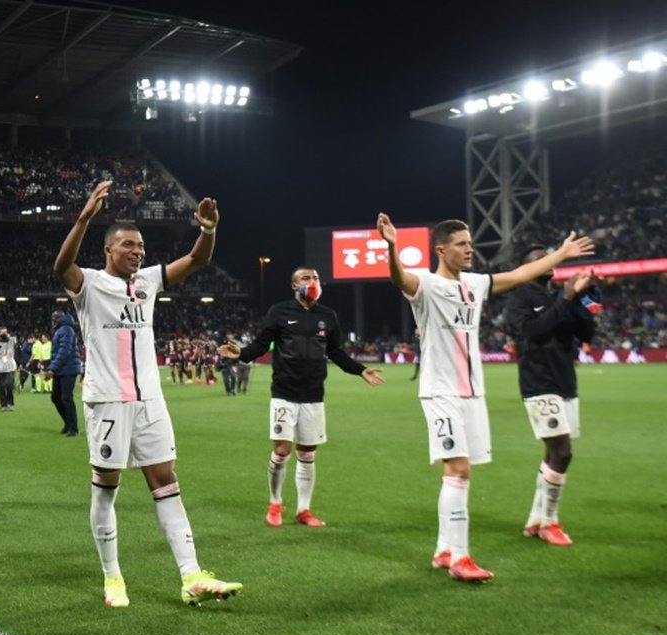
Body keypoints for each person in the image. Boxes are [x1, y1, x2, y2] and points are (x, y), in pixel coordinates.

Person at [376, 212, 594, 582]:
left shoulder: (475, 284)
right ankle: (460, 557)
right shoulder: (425, 284)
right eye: (461, 244)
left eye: (470, 244)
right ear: (441, 249)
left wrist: (561, 254)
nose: (469, 249)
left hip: (473, 394)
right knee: (458, 469)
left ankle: (444, 549)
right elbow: (398, 276)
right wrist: (392, 247)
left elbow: (521, 275)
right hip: (440, 391)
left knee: (461, 474)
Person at [54, 180, 242, 608]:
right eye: (127, 245)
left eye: (140, 245)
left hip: (150, 401)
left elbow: (196, 258)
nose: (137, 251)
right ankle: (112, 576)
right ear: (108, 250)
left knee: (166, 483)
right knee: (106, 489)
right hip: (108, 401)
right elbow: (60, 266)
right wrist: (84, 216)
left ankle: (191, 575)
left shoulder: (149, 281)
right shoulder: (90, 285)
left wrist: (208, 230)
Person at [219, 267, 384, 528]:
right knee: (282, 449)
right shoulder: (279, 312)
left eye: (315, 278)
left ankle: (303, 510)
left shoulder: (328, 316)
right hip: (284, 393)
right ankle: (275, 502)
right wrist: (240, 354)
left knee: (307, 452)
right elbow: (261, 345)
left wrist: (361, 370)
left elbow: (336, 352)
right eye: (305, 278)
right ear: (294, 286)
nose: (312, 282)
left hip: (313, 395)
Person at [504, 246, 600, 547]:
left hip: (565, 382)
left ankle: (536, 519)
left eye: (547, 255)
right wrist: (567, 297)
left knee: (552, 453)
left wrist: (588, 296)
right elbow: (534, 332)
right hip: (538, 382)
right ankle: (550, 522)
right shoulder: (518, 299)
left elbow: (586, 334)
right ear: (527, 267)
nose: (545, 260)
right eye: (536, 258)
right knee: (562, 451)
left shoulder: (557, 296)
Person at [45, 309, 82, 435]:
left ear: (57, 319)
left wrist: (52, 368)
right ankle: (68, 423)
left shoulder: (66, 330)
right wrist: (52, 368)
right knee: (55, 397)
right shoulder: (61, 330)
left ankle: (74, 428)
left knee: (66, 398)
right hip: (61, 369)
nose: (52, 321)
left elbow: (64, 352)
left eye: (53, 319)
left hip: (68, 369)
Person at [0, 326, 18, 411]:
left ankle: (10, 403)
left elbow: (16, 352)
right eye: (2, 332)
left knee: (9, 385)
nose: (4, 334)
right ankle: (3, 405)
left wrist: (19, 363)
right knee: (1, 387)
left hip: (10, 367)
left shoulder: (11, 342)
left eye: (6, 332)